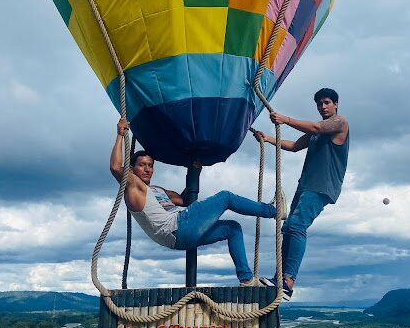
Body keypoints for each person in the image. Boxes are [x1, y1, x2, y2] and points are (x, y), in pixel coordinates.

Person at [111, 118, 277, 286]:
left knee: (233, 228)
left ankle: (247, 280)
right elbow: (116, 167)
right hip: (177, 226)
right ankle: (273, 211)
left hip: (180, 238)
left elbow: (184, 200)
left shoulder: (159, 190)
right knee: (226, 197)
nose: (147, 169)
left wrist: (195, 168)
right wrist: (119, 135)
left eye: (150, 165)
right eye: (142, 165)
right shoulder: (133, 188)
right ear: (132, 169)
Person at [253, 87, 349, 300]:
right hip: (306, 185)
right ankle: (281, 279)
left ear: (336, 104)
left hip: (322, 186)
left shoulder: (339, 123)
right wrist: (268, 138)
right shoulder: (317, 133)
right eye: (319, 104)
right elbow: (295, 146)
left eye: (326, 102)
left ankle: (288, 282)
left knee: (296, 226)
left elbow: (316, 127)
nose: (323, 107)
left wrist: (285, 119)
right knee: (288, 228)